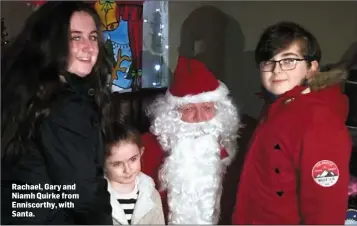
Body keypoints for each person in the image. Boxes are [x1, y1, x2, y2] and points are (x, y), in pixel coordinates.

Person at [1, 2, 113, 224]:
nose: (89, 47)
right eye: (75, 37)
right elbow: (83, 194)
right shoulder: (64, 103)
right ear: (53, 43)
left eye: (92, 37)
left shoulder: (30, 90)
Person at [232, 21, 352, 224]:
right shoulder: (276, 108)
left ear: (311, 68)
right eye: (269, 62)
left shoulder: (319, 122)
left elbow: (325, 211)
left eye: (288, 60)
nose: (276, 70)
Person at [141, 56, 240, 224]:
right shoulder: (145, 148)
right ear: (171, 113)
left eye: (208, 108)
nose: (200, 118)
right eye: (189, 109)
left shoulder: (231, 151)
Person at [104, 123, 165, 225]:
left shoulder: (152, 194)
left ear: (141, 153)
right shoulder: (95, 198)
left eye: (133, 159)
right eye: (117, 164)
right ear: (103, 164)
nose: (127, 170)